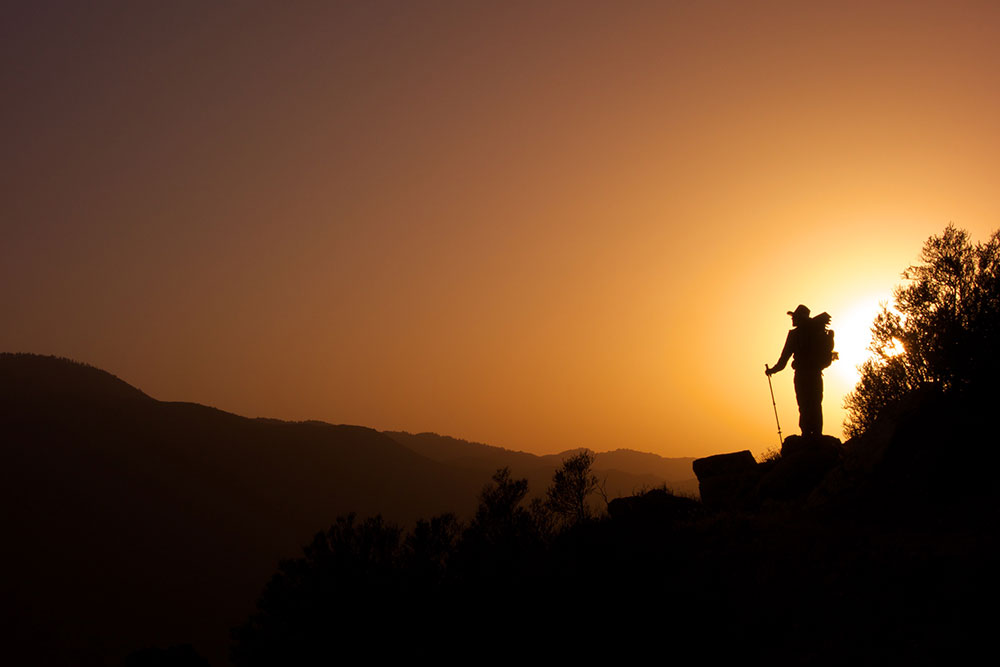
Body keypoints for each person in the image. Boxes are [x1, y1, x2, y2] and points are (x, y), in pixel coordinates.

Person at [765, 304, 834, 437]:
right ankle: (817, 434)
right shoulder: (817, 332)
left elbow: (784, 359)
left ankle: (806, 434)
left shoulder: (794, 335)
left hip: (802, 375)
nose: (792, 320)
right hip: (815, 374)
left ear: (799, 318)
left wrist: (772, 370)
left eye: (794, 317)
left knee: (803, 404)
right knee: (815, 403)